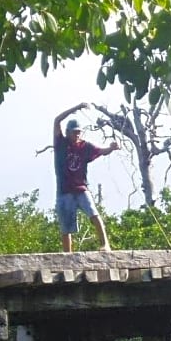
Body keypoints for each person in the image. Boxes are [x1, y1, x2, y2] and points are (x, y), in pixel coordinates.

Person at [53, 102, 119, 252]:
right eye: (74, 132)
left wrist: (111, 148)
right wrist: (76, 108)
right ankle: (67, 255)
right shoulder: (61, 144)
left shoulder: (85, 147)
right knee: (66, 226)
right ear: (68, 132)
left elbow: (102, 151)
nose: (77, 135)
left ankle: (105, 244)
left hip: (81, 188)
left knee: (93, 213)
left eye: (78, 132)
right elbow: (57, 120)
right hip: (64, 191)